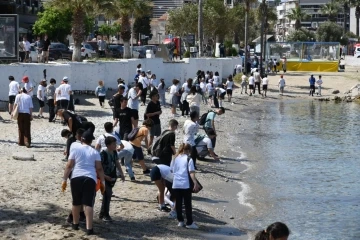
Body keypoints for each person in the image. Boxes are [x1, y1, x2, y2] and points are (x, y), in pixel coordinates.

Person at [61, 129, 106, 235]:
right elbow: (99, 169)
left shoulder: (75, 150)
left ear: (81, 139)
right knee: (88, 204)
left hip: (76, 177)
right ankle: (89, 228)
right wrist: (102, 181)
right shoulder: (95, 152)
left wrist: (64, 179)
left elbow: (69, 165)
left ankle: (75, 224)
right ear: (91, 141)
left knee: (76, 202)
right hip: (90, 178)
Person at [170, 143, 200, 229]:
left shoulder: (174, 158)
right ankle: (189, 223)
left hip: (176, 184)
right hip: (185, 184)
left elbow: (171, 170)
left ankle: (180, 221)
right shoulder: (189, 159)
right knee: (187, 204)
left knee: (178, 203)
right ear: (188, 150)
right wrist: (195, 183)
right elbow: (191, 172)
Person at [99, 136, 125, 222]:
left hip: (112, 176)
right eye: (114, 144)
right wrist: (105, 177)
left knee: (107, 196)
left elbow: (117, 163)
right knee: (107, 194)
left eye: (115, 143)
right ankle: (105, 215)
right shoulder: (102, 154)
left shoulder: (114, 152)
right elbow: (99, 167)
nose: (115, 145)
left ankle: (102, 214)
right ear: (108, 145)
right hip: (104, 177)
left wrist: (121, 173)